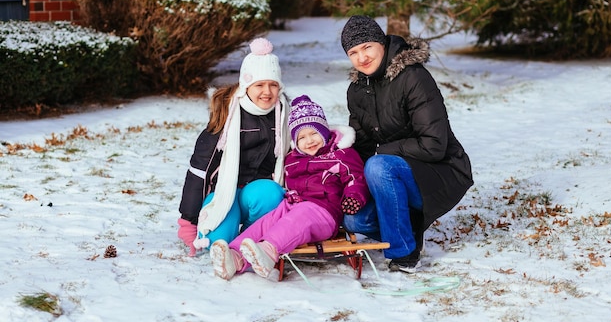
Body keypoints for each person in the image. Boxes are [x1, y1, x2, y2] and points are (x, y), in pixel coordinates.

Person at [340, 15, 473, 273]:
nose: (362, 57)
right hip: (391, 172)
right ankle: (408, 226)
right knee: (353, 219)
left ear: (381, 43)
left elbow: (434, 144)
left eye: (367, 47)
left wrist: (384, 153)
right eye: (353, 52)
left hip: (441, 170)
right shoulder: (356, 90)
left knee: (379, 166)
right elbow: (362, 148)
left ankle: (404, 253)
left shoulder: (413, 78)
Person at [209, 95, 370, 280]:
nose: (309, 140)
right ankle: (234, 256)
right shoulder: (293, 160)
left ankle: (269, 251)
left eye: (314, 133)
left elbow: (355, 178)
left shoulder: (342, 154)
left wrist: (353, 198)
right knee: (266, 222)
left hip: (324, 212)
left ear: (325, 132)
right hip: (293, 204)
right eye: (301, 137)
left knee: (297, 218)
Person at [177, 37, 291, 256]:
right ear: (246, 85)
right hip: (223, 193)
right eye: (259, 85)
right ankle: (220, 233)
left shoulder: (283, 115)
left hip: (255, 195)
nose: (266, 92)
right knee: (217, 244)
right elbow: (200, 171)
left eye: (273, 85)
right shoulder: (227, 117)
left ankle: (253, 237)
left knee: (270, 193)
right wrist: (188, 222)